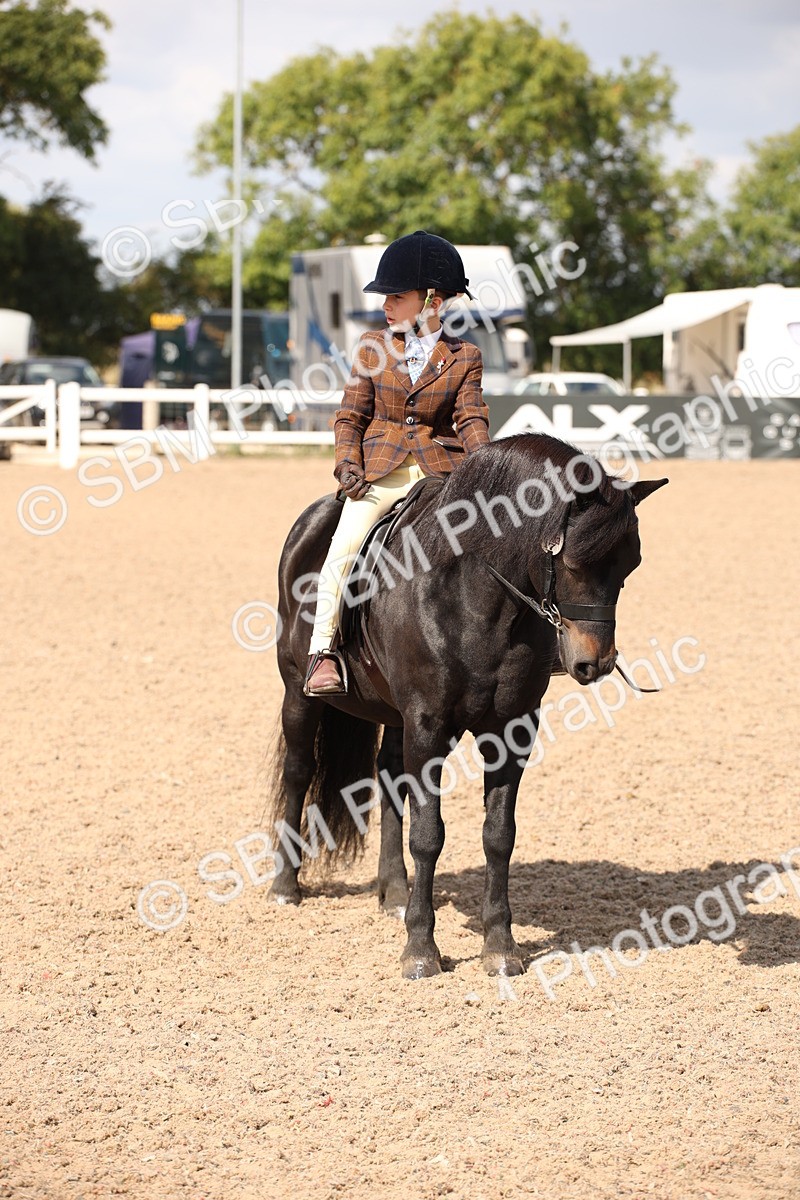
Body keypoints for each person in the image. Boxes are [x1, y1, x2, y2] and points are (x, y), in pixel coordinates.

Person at [304, 230, 491, 695]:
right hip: (382, 472)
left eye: (396, 296)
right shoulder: (372, 346)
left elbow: (469, 418)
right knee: (343, 550)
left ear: (432, 301)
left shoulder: (464, 356)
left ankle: (520, 644)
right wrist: (348, 463)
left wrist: (486, 465)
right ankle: (322, 652)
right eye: (386, 296)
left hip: (440, 471)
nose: (386, 305)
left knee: (498, 541)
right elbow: (351, 414)